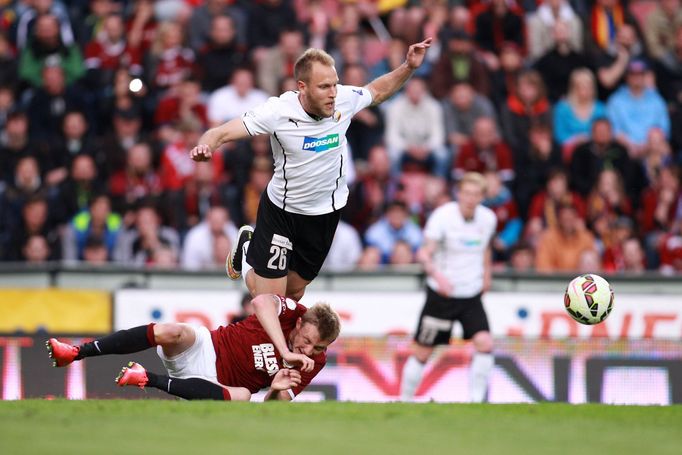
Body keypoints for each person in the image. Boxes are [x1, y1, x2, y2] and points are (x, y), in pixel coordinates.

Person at [190, 38, 433, 301]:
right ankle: (249, 251)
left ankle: (249, 245)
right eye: (325, 86)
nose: (333, 92)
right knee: (271, 301)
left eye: (335, 84)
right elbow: (221, 132)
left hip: (325, 213)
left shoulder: (343, 100)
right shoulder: (278, 111)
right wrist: (205, 146)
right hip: (283, 210)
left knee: (295, 292)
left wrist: (408, 67)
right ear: (302, 87)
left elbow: (377, 91)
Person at [47, 293, 340, 402]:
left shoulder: (316, 361)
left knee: (243, 398)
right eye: (307, 340)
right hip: (206, 346)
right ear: (300, 323)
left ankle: (147, 378)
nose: (307, 350)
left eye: (317, 347)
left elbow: (273, 407)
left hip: (216, 385)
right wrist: (285, 351)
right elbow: (261, 301)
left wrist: (275, 388)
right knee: (174, 331)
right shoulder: (291, 312)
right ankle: (76, 352)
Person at [400, 172, 497, 403]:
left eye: (475, 194)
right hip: (442, 294)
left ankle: (476, 401)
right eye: (466, 193)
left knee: (485, 342)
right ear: (459, 193)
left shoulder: (488, 219)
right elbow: (424, 252)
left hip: (471, 293)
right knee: (423, 350)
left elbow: (485, 248)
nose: (470, 198)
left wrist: (487, 275)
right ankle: (404, 399)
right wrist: (437, 275)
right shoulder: (442, 217)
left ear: (482, 196)